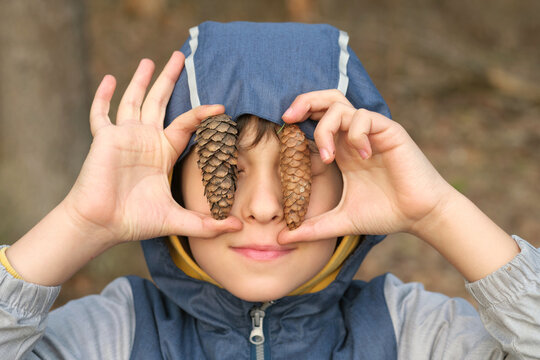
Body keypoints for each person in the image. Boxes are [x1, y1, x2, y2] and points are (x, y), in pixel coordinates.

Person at [0, 21, 538, 359]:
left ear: (353, 178)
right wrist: (80, 223)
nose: (262, 208)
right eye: (226, 172)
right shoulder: (109, 337)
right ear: (171, 184)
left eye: (301, 169)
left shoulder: (416, 336)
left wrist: (438, 211)